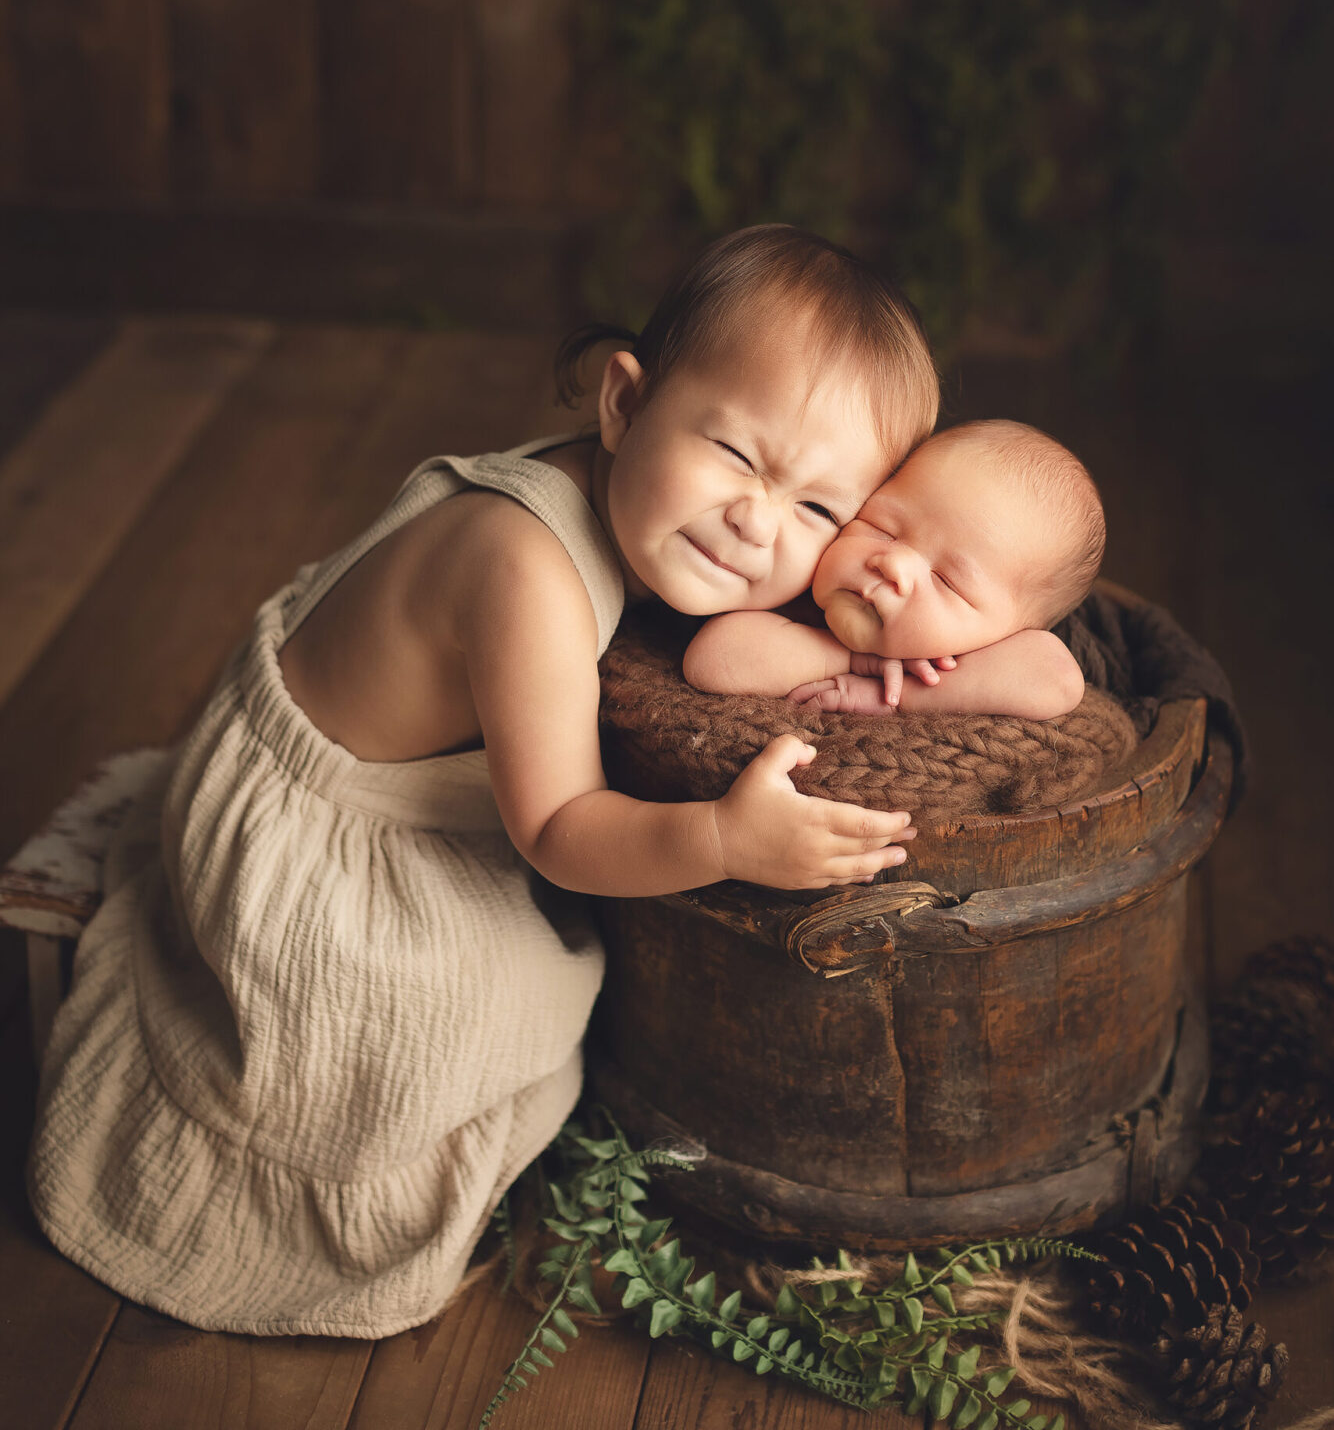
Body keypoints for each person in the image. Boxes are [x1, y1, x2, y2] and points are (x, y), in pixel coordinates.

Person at [27, 225, 938, 1339]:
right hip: (321, 849)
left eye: (816, 512)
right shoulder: (522, 570)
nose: (757, 522)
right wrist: (721, 838)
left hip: (322, 730)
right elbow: (558, 825)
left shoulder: (637, 496)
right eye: (736, 455)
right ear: (620, 402)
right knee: (491, 1006)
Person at [683, 418, 1099, 719]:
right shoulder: (796, 580)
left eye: (946, 581)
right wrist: (855, 660)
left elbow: (1058, 680)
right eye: (881, 528)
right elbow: (712, 661)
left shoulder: (985, 652)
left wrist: (898, 694)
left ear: (1011, 633)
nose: (893, 564)